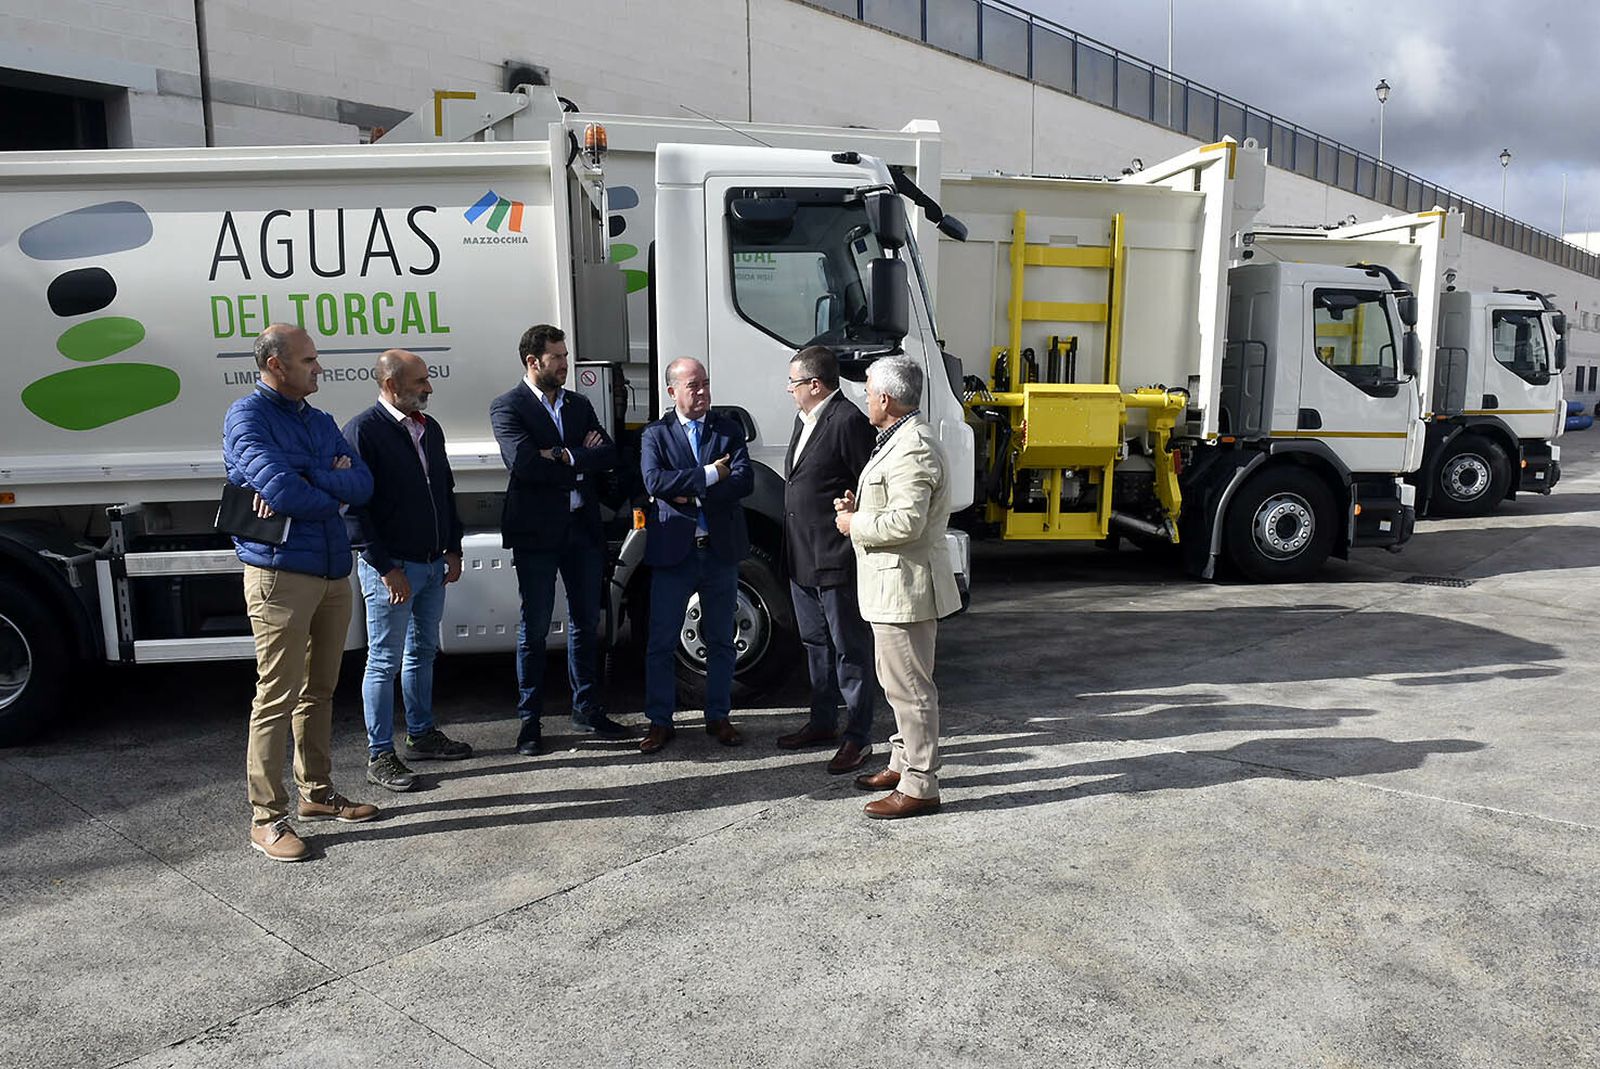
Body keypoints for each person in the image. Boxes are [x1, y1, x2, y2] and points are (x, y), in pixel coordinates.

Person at [222, 324, 379, 862]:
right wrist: (320, 479)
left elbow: (363, 485)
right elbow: (285, 491)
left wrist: (312, 477)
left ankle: (317, 794)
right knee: (276, 697)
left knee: (320, 692)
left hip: (334, 571)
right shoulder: (246, 417)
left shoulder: (322, 421)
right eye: (308, 360)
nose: (319, 368)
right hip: (280, 574)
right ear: (275, 366)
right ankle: (266, 819)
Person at [490, 324, 628, 755]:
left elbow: (607, 453)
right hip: (536, 532)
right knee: (534, 625)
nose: (566, 364)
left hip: (581, 528)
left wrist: (565, 455)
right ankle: (529, 720)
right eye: (558, 357)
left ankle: (586, 707)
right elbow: (526, 464)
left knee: (587, 621)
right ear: (534, 362)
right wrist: (577, 458)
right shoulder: (508, 407)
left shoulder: (579, 404)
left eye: (566, 355)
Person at [834, 355, 961, 819]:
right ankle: (902, 763)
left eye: (868, 390)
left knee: (911, 689)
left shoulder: (915, 447)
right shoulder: (897, 439)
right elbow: (897, 504)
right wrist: (861, 504)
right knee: (896, 684)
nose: (865, 397)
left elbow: (907, 522)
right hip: (893, 586)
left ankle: (921, 784)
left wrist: (854, 522)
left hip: (905, 588)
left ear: (886, 399)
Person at [342, 350, 473, 793]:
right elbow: (354, 509)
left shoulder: (428, 428)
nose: (429, 388)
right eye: (420, 381)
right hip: (393, 570)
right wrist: (384, 567)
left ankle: (421, 734)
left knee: (422, 654)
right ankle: (380, 755)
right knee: (383, 662)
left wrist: (452, 548)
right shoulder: (363, 431)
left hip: (434, 563)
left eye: (429, 379)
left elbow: (444, 489)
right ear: (392, 386)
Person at [637, 357, 754, 754]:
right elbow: (653, 480)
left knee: (722, 639)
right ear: (672, 392)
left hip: (719, 553)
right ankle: (659, 721)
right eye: (693, 386)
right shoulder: (655, 435)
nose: (703, 392)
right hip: (674, 553)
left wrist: (685, 490)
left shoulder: (727, 429)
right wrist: (709, 475)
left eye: (705, 383)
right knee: (661, 641)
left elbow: (743, 481)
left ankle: (718, 716)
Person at [776, 346, 878, 774]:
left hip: (835, 556)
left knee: (848, 649)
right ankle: (822, 722)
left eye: (794, 382)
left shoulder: (848, 421)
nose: (789, 390)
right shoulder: (806, 419)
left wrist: (854, 510)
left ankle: (858, 737)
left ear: (815, 385)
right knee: (815, 644)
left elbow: (870, 482)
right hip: (802, 556)